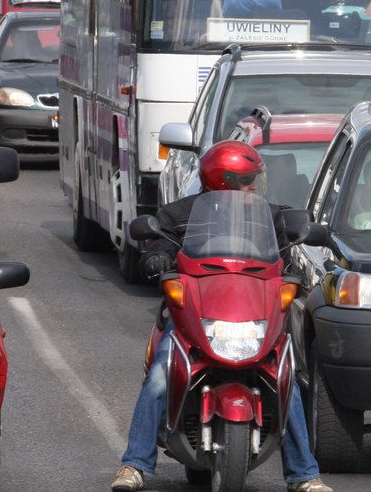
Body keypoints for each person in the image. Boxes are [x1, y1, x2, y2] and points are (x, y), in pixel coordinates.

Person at [112, 141, 332, 492]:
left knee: (285, 378)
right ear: (224, 181)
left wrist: (294, 269)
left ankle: (305, 474)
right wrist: (156, 258)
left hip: (251, 314)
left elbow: (286, 256)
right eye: (247, 180)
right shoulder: (176, 216)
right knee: (159, 377)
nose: (254, 187)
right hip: (195, 320)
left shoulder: (271, 217)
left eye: (255, 179)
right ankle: (133, 465)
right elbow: (157, 247)